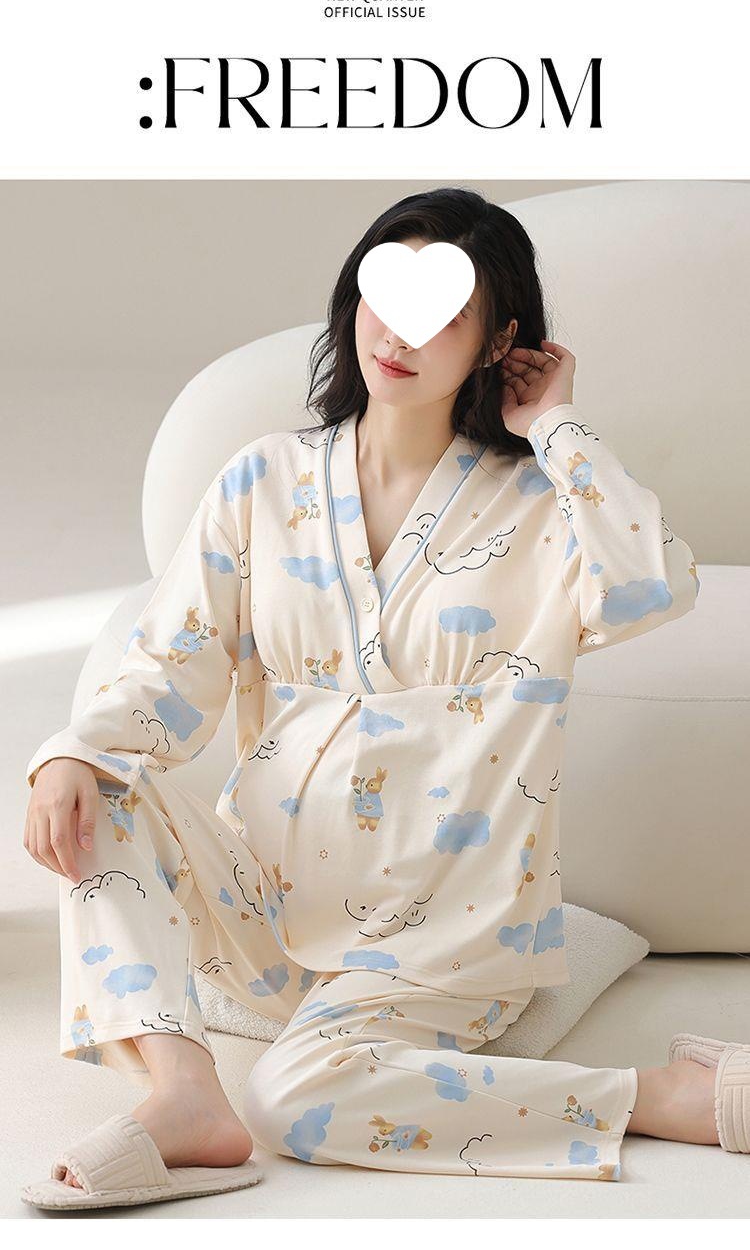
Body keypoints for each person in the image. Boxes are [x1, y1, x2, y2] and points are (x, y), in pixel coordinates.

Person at [22, 187, 739, 1210]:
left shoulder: (543, 507)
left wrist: (558, 425)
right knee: (96, 785)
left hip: (444, 937)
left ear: (501, 342)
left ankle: (665, 1095)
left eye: (444, 315)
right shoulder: (263, 482)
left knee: (297, 1102)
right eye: (384, 298)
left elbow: (651, 586)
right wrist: (72, 753)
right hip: (270, 910)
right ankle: (183, 1093)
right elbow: (166, 668)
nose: (399, 334)